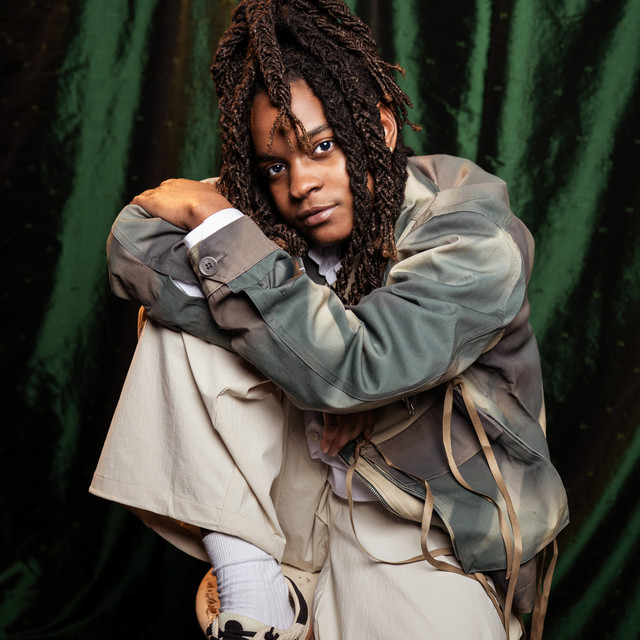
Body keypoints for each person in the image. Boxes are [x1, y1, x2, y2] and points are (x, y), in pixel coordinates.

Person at [90, 1, 569, 638]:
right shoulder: (265, 217)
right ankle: (255, 585)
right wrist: (311, 367)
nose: (301, 185)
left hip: (423, 526)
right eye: (276, 166)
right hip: (294, 498)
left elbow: (359, 369)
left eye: (323, 147)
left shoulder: (472, 231)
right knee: (189, 310)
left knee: (229, 282)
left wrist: (343, 375)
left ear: (380, 128)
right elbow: (132, 242)